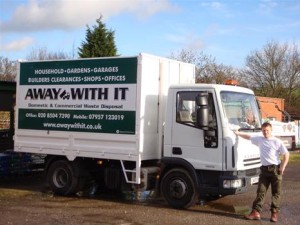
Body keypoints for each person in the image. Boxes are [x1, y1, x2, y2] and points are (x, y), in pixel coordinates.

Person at [234, 122, 289, 223]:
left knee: (276, 193)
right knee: (260, 192)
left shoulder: (277, 141)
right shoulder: (260, 139)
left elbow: (286, 154)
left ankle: (274, 213)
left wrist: (283, 167)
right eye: (264, 130)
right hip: (264, 170)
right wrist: (237, 133)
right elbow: (248, 136)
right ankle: (256, 213)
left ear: (271, 130)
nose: (265, 132)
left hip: (275, 170)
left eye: (267, 130)